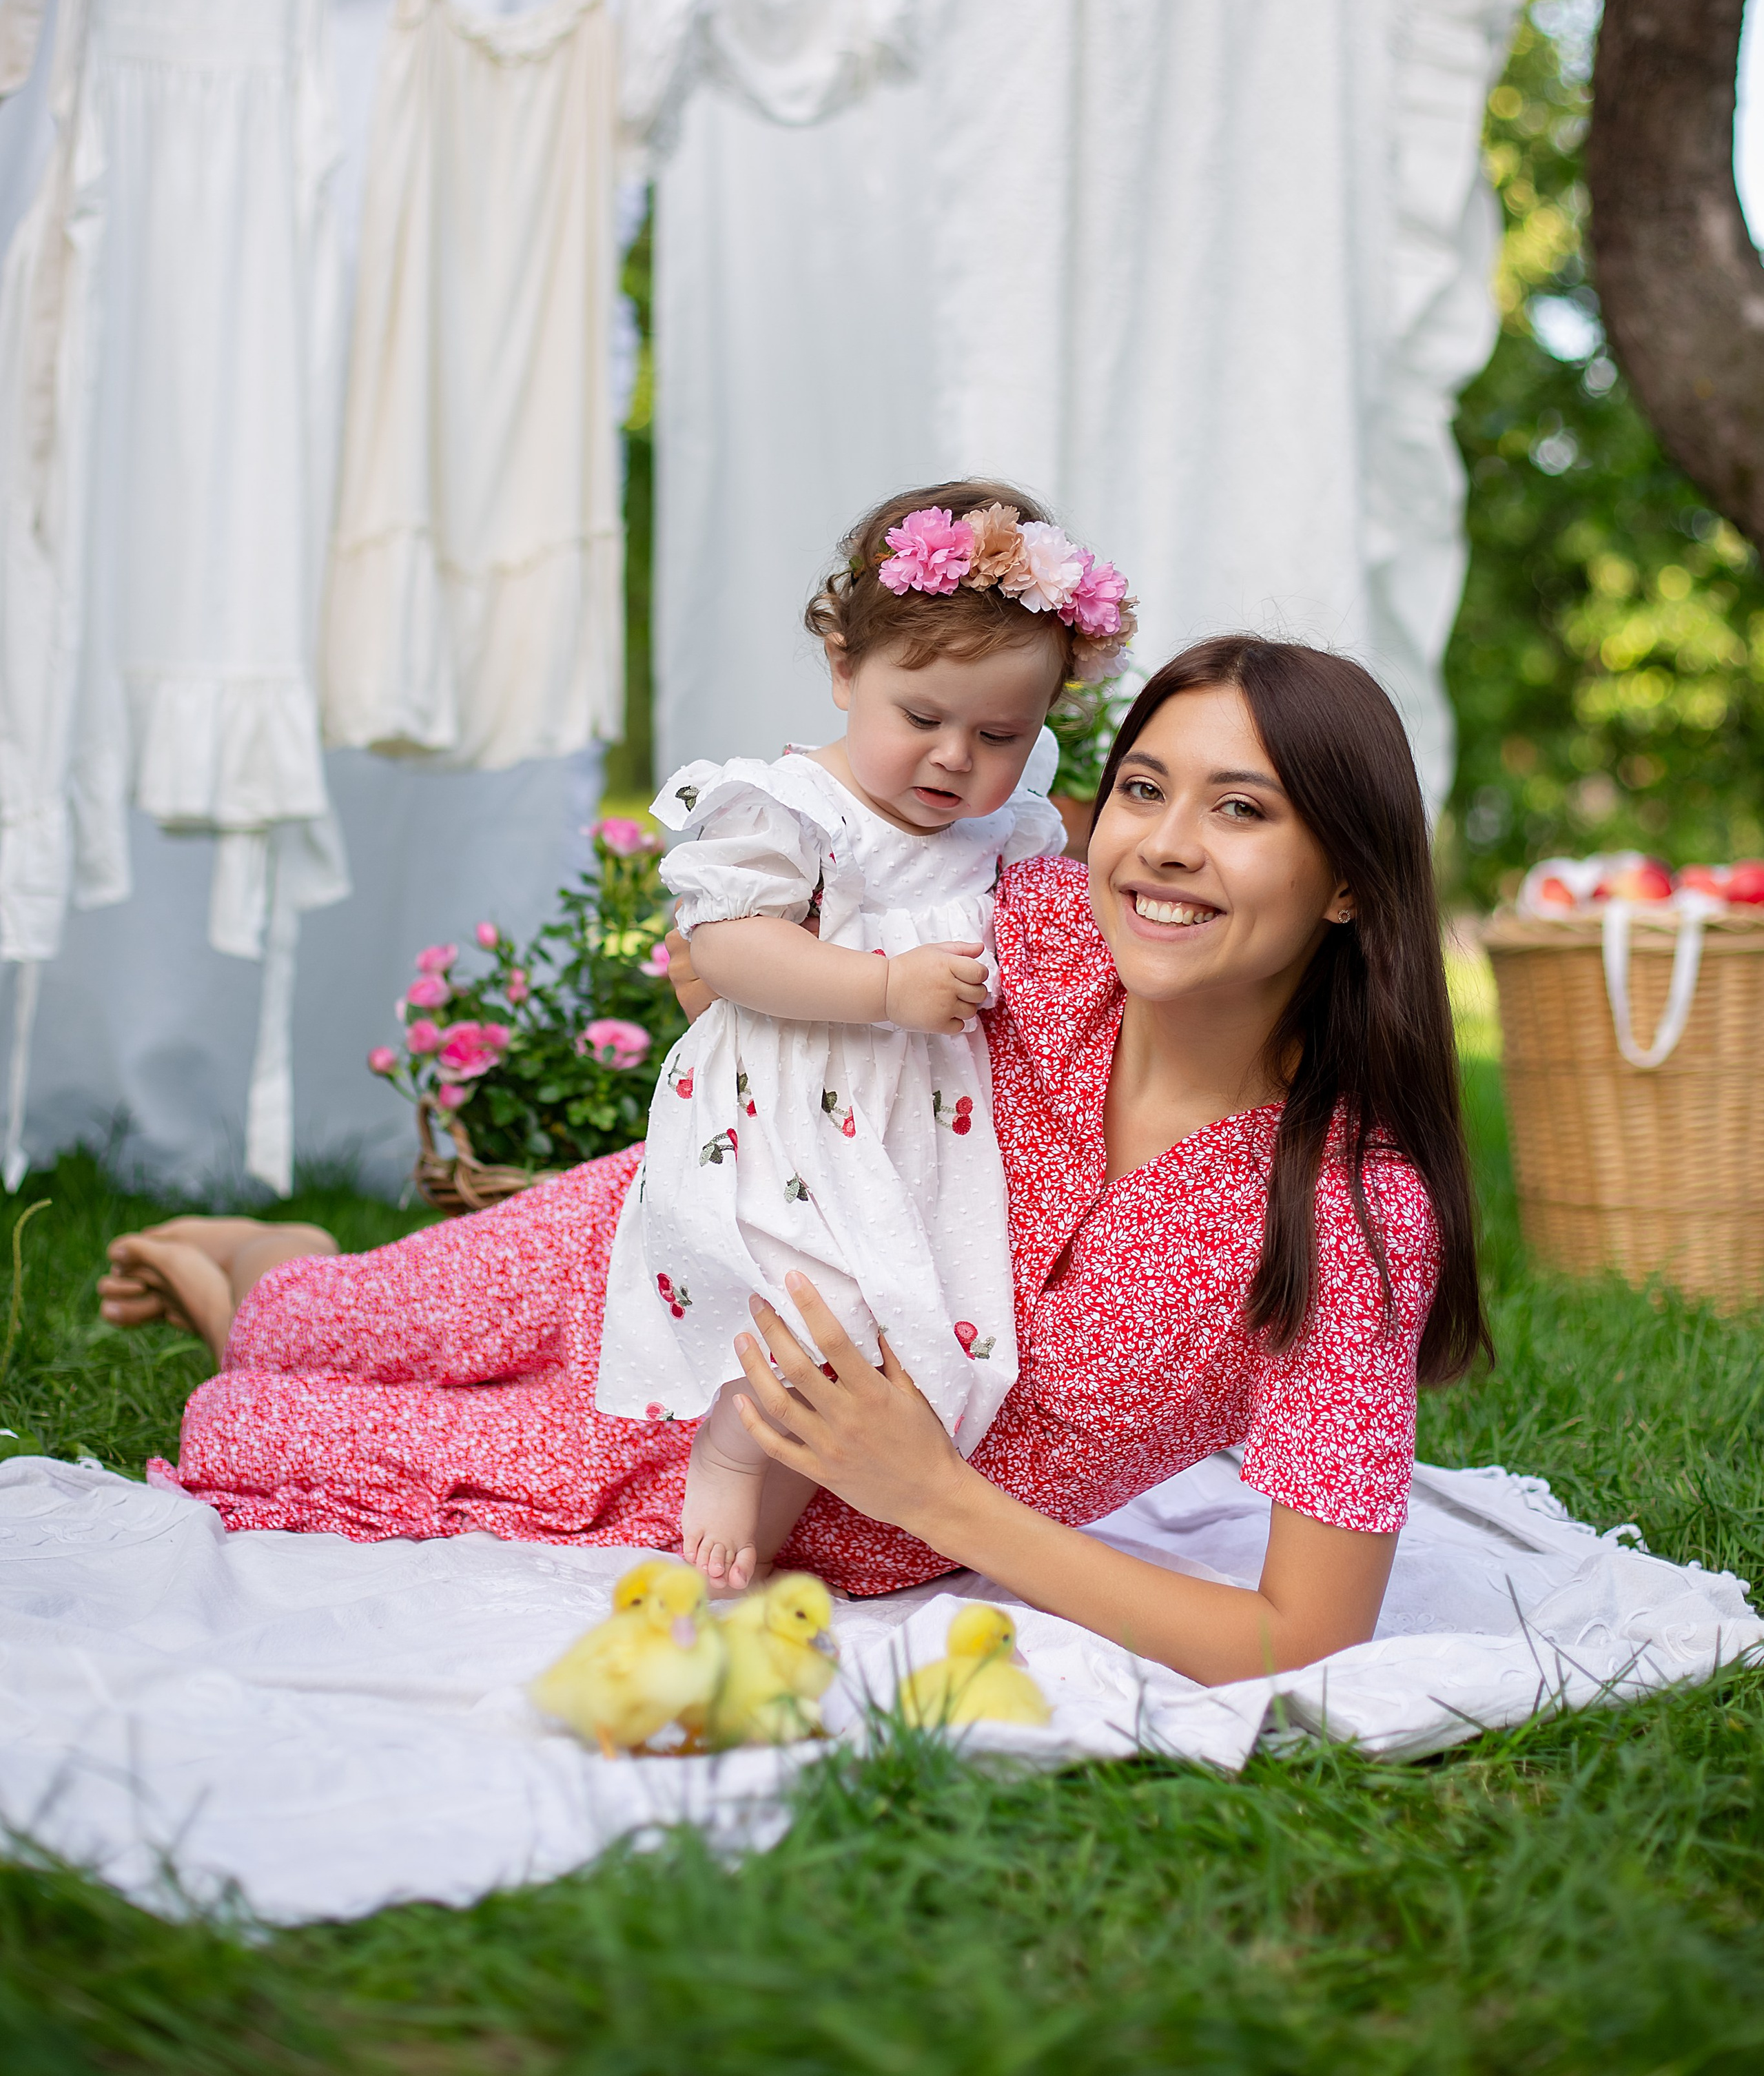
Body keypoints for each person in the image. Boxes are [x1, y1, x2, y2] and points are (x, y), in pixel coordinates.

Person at [103, 633, 1488, 1687]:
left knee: (247, 1421)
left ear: (1351, 878)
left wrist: (933, 1498)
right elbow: (818, 852)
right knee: (305, 1322)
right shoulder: (1027, 931)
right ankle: (271, 1262)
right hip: (651, 1251)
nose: (1165, 849)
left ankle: (251, 1294)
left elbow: (1302, 1636)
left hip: (732, 1488)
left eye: (1240, 812)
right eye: (1141, 789)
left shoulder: (1350, 1217)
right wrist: (765, 972)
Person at [595, 480, 1132, 1591]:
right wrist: (882, 988)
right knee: (817, 1308)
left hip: (924, 1123)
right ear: (845, 669)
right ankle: (733, 1452)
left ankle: (779, 1498)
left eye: (998, 735)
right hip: (787, 1112)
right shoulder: (793, 807)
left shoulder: (1005, 826)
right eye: (922, 719)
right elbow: (730, 945)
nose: (953, 760)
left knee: (905, 1324)